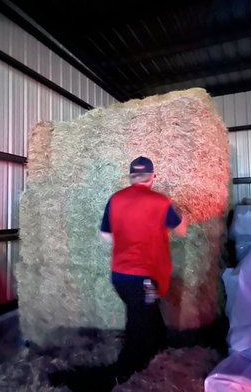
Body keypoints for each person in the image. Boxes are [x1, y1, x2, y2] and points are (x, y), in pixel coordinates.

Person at [100, 156, 187, 381]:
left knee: (147, 312)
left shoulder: (115, 199)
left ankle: (160, 347)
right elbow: (181, 230)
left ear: (131, 177)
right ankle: (123, 375)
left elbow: (105, 236)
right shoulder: (160, 201)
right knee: (138, 325)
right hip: (143, 279)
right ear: (152, 177)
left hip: (120, 277)